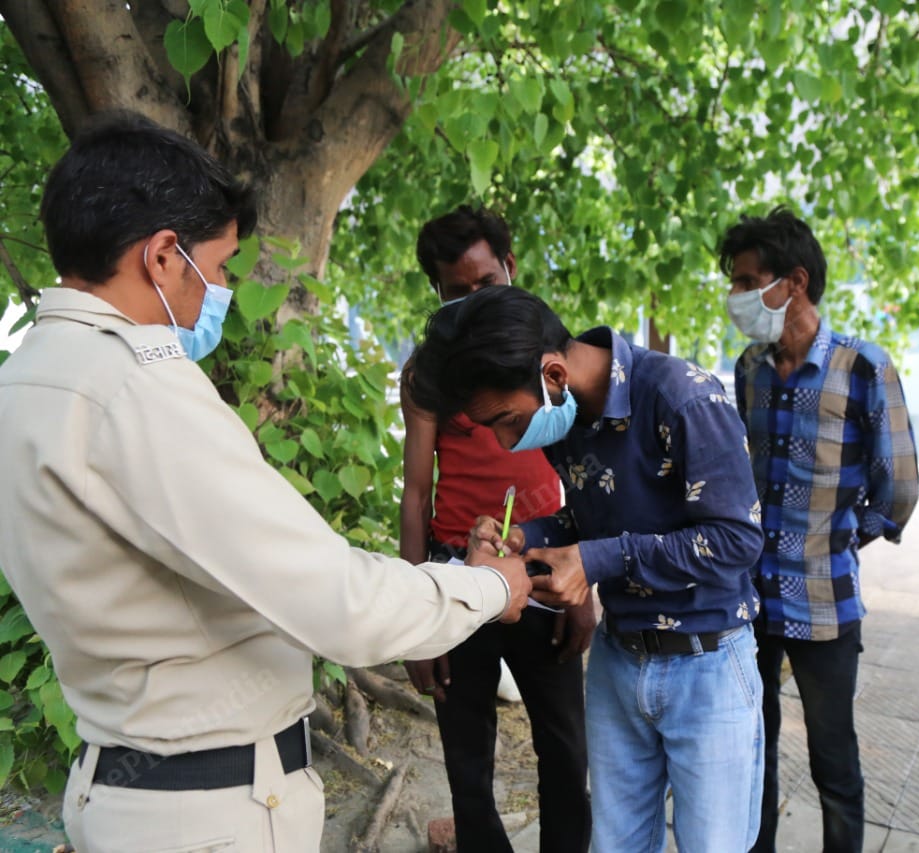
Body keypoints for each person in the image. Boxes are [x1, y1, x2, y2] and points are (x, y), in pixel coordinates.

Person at [0, 111, 531, 852]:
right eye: (218, 267)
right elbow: (339, 602)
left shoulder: (25, 380)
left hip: (119, 788)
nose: (220, 289)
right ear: (163, 256)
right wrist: (490, 586)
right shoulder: (136, 388)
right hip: (207, 810)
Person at [408, 286, 767, 853]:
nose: (506, 442)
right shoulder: (570, 419)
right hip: (620, 659)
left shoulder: (683, 397)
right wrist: (527, 538)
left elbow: (736, 540)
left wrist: (597, 559)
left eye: (506, 421)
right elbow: (593, 517)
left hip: (709, 665)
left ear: (553, 374)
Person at [720, 207, 919, 853]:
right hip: (751, 599)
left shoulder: (863, 368)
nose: (736, 295)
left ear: (795, 282)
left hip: (826, 599)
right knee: (752, 747)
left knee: (833, 758)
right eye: (733, 281)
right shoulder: (749, 368)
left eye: (748, 281)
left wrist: (840, 539)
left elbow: (899, 487)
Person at [399, 206, 591, 852]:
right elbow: (416, 492)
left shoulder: (547, 356)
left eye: (486, 283)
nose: (475, 298)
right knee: (466, 757)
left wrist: (584, 586)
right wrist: (419, 618)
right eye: (458, 291)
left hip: (543, 570)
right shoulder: (429, 373)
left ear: (510, 267)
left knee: (566, 747)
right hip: (459, 576)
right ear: (438, 292)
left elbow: (583, 477)